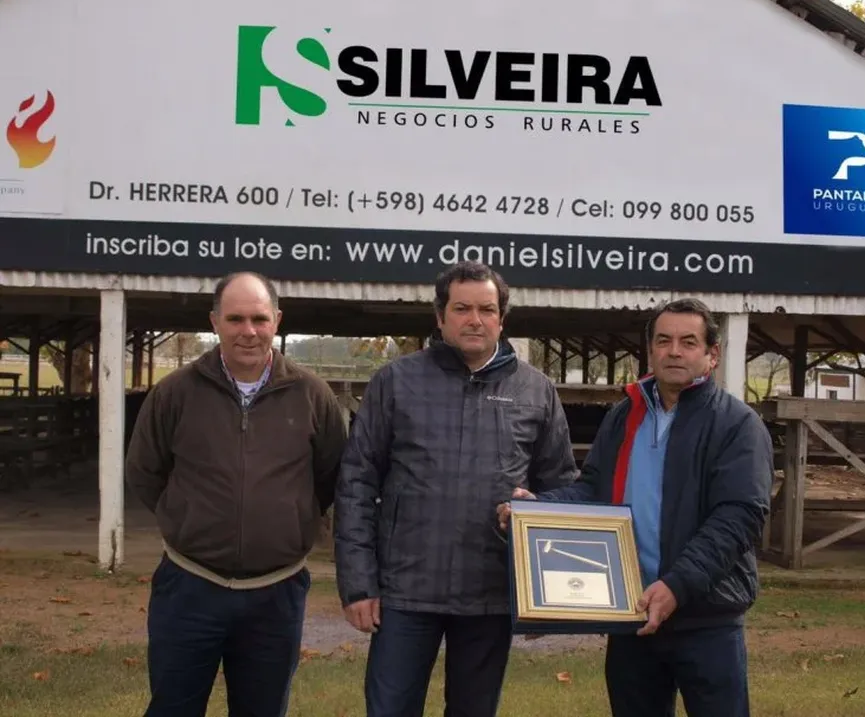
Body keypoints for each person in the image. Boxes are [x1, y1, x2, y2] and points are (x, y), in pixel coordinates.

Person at [497, 298, 773, 717]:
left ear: (711, 355)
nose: (674, 351)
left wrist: (677, 586)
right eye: (663, 340)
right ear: (650, 351)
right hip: (632, 614)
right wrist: (537, 508)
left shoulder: (737, 424)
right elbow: (593, 491)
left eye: (688, 341)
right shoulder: (625, 415)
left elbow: (738, 517)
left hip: (706, 618)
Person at [334, 260, 579, 717]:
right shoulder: (396, 382)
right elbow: (356, 485)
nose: (475, 319)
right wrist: (358, 583)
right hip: (405, 593)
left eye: (486, 309)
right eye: (462, 308)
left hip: (490, 594)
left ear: (502, 319)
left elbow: (561, 489)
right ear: (440, 316)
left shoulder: (535, 391)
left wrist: (547, 597)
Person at [125, 271, 347, 717]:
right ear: (215, 321)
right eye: (236, 319)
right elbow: (146, 473)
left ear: (277, 320)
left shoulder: (311, 395)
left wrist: (287, 518)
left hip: (276, 593)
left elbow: (330, 476)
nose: (249, 331)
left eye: (260, 319)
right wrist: (190, 518)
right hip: (189, 587)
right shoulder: (175, 393)